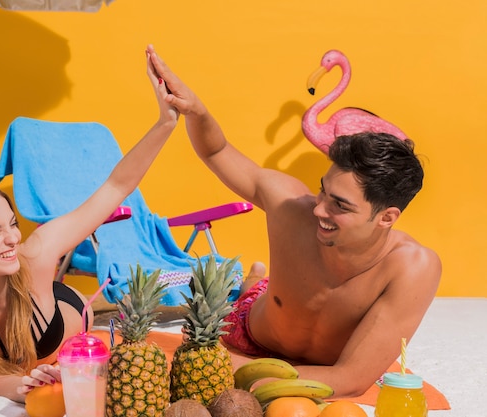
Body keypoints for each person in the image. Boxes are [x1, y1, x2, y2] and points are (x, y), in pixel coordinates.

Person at [147, 45, 441, 398]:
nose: (319, 210)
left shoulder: (412, 268)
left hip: (314, 367)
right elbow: (217, 152)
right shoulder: (290, 205)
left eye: (340, 206)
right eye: (323, 192)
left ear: (386, 217)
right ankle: (254, 282)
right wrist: (197, 111)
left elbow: (350, 378)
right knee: (249, 295)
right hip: (251, 332)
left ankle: (257, 279)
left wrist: (221, 369)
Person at [0, 48, 179, 403]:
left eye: (12, 224)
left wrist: (166, 122)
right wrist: (26, 386)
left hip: (58, 307)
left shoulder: (36, 255)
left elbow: (115, 187)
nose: (13, 237)